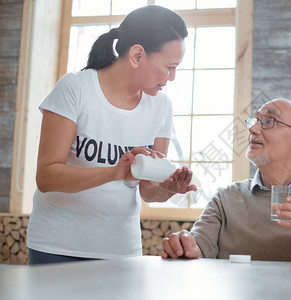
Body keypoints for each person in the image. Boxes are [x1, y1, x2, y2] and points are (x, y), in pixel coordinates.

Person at [27, 5, 196, 265]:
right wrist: (115, 172)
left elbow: (147, 190)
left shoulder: (161, 106)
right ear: (138, 55)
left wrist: (168, 188)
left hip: (121, 249)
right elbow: (47, 176)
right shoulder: (75, 88)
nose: (171, 78)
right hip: (56, 245)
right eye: (169, 67)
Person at [161, 98, 291, 263]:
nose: (252, 129)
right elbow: (197, 250)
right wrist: (184, 247)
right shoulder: (224, 199)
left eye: (269, 121)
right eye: (255, 121)